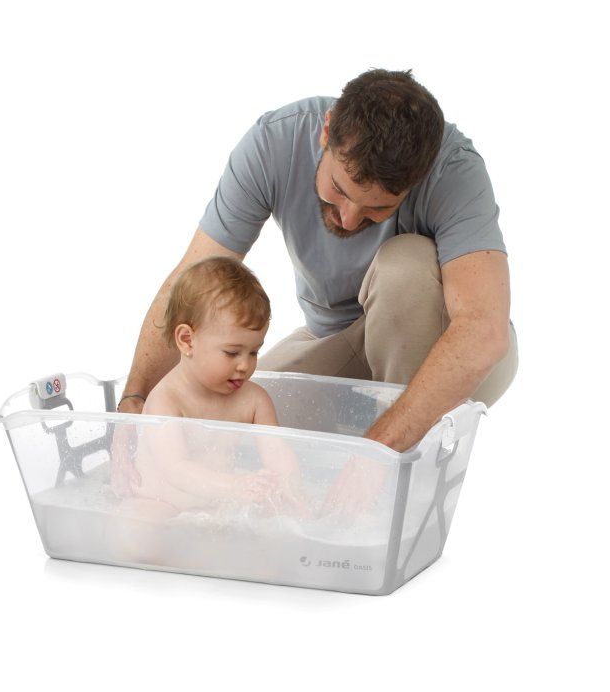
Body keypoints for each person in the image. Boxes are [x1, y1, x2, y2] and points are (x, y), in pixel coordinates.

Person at [115, 68, 518, 513]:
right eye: (339, 191)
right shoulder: (275, 142)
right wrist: (134, 403)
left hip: (450, 350)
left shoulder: (455, 170)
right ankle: (366, 443)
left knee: (404, 265)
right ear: (326, 132)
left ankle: (402, 472)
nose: (348, 219)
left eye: (378, 208)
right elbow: (192, 281)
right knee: (234, 426)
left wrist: (379, 452)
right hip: (339, 339)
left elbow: (483, 330)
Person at [116, 256, 301, 531]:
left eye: (254, 352)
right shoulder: (166, 400)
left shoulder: (254, 400)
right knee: (136, 531)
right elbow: (175, 468)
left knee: (268, 529)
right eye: (232, 352)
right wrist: (236, 486)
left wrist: (293, 496)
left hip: (216, 504)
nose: (245, 365)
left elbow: (278, 455)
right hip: (161, 502)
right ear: (187, 340)